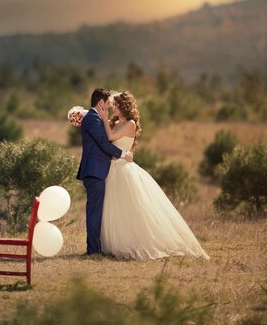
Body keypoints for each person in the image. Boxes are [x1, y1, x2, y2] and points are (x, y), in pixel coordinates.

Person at [96, 91, 209, 260]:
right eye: (112, 106)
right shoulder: (116, 122)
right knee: (116, 208)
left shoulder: (131, 124)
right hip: (112, 169)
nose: (113, 109)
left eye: (115, 106)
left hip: (124, 170)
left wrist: (104, 118)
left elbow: (111, 137)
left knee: (132, 208)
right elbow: (105, 139)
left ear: (123, 106)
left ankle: (138, 243)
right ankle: (117, 242)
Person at [77, 88, 133, 255]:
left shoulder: (94, 118)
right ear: (100, 103)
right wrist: (123, 154)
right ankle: (93, 250)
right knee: (95, 211)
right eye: (108, 104)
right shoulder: (93, 118)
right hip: (95, 171)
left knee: (97, 210)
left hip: (98, 171)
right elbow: (104, 143)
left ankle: (94, 247)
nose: (109, 108)